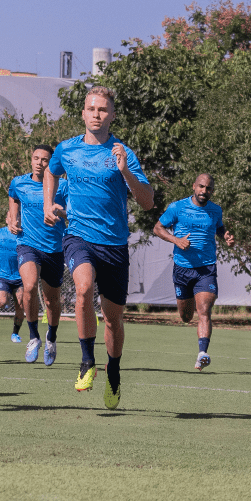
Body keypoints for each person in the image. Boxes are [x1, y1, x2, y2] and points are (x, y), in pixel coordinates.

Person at [43, 85, 154, 409]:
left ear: (112, 115)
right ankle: (87, 361)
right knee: (82, 288)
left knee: (113, 319)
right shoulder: (67, 149)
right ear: (83, 113)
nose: (96, 114)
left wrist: (124, 172)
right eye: (91, 109)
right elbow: (51, 172)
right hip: (78, 236)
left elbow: (147, 202)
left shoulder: (123, 153)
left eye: (102, 110)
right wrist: (49, 204)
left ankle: (114, 371)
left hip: (115, 245)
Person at [153, 173, 235, 370]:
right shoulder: (177, 208)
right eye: (201, 187)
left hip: (206, 269)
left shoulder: (215, 210)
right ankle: (190, 323)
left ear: (212, 191)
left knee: (204, 310)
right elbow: (157, 228)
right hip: (182, 269)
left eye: (208, 189)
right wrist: (176, 240)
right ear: (193, 186)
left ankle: (202, 354)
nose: (204, 191)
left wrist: (225, 236)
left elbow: (218, 227)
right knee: (186, 317)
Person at [6, 144, 69, 365]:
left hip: (54, 249)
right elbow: (13, 197)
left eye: (44, 160)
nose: (39, 163)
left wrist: (59, 212)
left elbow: (72, 213)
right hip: (28, 244)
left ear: (51, 163)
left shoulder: (62, 186)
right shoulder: (19, 182)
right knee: (29, 287)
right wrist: (13, 218)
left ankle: (51, 338)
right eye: (36, 158)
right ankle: (33, 337)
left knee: (51, 301)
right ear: (31, 160)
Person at [0, 225, 26, 344]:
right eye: (13, 217)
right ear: (8, 219)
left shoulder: (24, 232)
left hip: (20, 276)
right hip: (3, 275)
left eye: (18, 218)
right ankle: (7, 301)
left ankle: (15, 333)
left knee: (20, 306)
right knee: (1, 302)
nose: (16, 220)